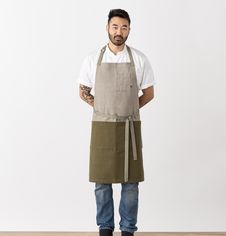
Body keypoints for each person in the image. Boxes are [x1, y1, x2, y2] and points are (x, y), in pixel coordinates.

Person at [77, 9, 155, 236]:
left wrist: (127, 109)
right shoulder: (93, 59)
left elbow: (149, 93)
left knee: (130, 184)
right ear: (107, 28)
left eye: (124, 27)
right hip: (102, 127)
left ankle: (128, 229)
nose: (119, 31)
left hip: (130, 127)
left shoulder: (139, 59)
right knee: (102, 183)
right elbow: (82, 91)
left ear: (129, 30)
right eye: (115, 26)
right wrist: (104, 108)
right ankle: (105, 228)